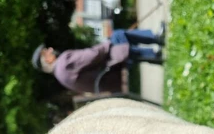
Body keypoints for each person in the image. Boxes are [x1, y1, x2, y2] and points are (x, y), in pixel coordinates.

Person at [31, 24, 165, 94]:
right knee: (117, 37)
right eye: (46, 51)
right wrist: (106, 43)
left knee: (117, 44)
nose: (50, 49)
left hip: (108, 80)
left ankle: (153, 53)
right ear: (48, 60)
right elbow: (93, 55)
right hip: (113, 72)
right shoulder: (64, 62)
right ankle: (155, 41)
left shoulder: (60, 77)